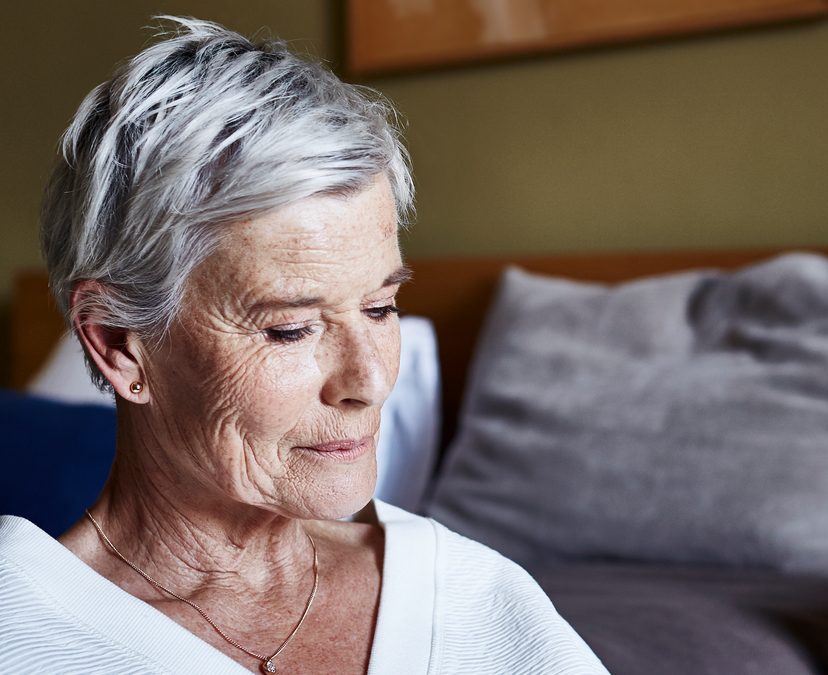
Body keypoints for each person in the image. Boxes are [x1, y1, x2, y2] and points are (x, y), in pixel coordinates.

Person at [0, 17, 606, 674]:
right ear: (120, 346)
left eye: (380, 307)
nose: (370, 379)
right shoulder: (23, 634)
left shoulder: (474, 596)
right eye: (290, 328)